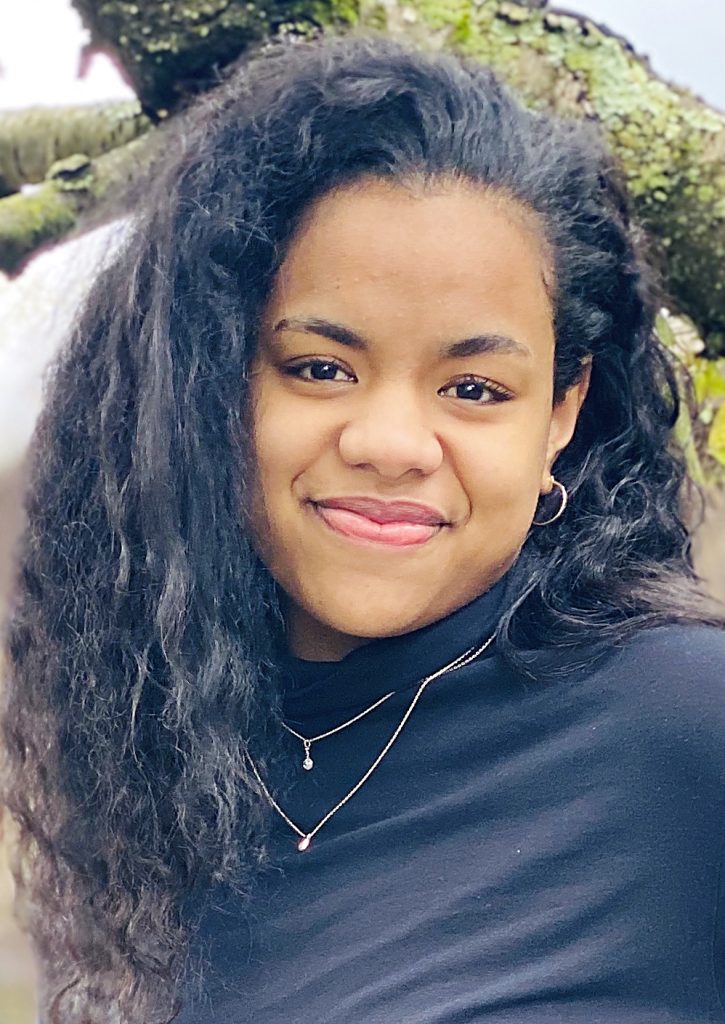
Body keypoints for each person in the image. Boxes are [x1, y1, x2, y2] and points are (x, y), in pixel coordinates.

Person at [2, 27, 725, 1024]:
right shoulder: (156, 763)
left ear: (559, 413)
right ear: (213, 383)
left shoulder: (683, 726)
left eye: (472, 388)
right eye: (320, 368)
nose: (390, 444)